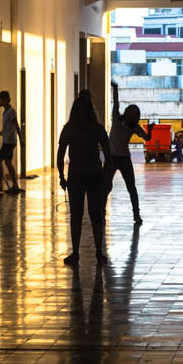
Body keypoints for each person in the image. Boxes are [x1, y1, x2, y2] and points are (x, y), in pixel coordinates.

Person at [57, 96, 113, 265]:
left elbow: (60, 155)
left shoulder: (68, 129)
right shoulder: (97, 129)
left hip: (75, 175)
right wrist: (107, 176)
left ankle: (75, 253)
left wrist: (61, 176)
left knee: (76, 216)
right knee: (96, 216)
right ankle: (98, 253)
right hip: (95, 175)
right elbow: (108, 155)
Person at [107, 81, 150, 225]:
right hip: (112, 157)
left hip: (124, 158)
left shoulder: (134, 127)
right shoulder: (116, 118)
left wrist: (151, 129)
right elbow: (116, 102)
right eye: (130, 109)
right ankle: (100, 211)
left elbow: (147, 138)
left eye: (133, 110)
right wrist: (116, 88)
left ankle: (136, 214)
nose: (130, 110)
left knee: (131, 187)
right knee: (106, 186)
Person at [0, 90, 22, 193]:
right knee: (8, 162)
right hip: (8, 140)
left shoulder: (11, 112)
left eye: (0, 100)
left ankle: (0, 184)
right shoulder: (5, 112)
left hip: (10, 142)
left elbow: (16, 126)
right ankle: (15, 185)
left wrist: (21, 140)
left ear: (6, 100)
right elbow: (6, 129)